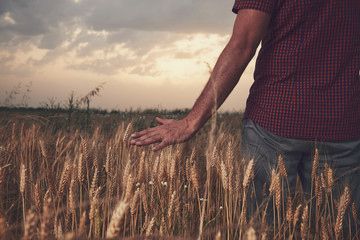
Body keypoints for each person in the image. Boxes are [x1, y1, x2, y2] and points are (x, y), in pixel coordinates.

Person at [131, 0, 360, 234]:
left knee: (262, 231)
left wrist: (191, 122)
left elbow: (242, 44)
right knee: (340, 230)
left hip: (274, 119)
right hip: (340, 121)